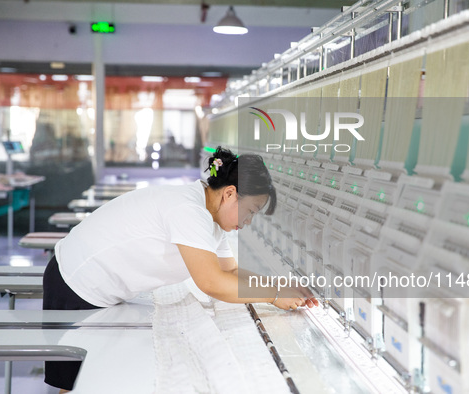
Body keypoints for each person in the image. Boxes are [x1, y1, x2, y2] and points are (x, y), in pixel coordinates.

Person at [42, 146, 318, 392]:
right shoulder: (189, 210)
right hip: (75, 283)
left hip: (97, 284)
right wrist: (271, 296)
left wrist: (279, 287)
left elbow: (230, 273)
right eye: (251, 211)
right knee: (78, 383)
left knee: (92, 376)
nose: (249, 221)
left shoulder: (210, 218)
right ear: (231, 193)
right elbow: (210, 282)